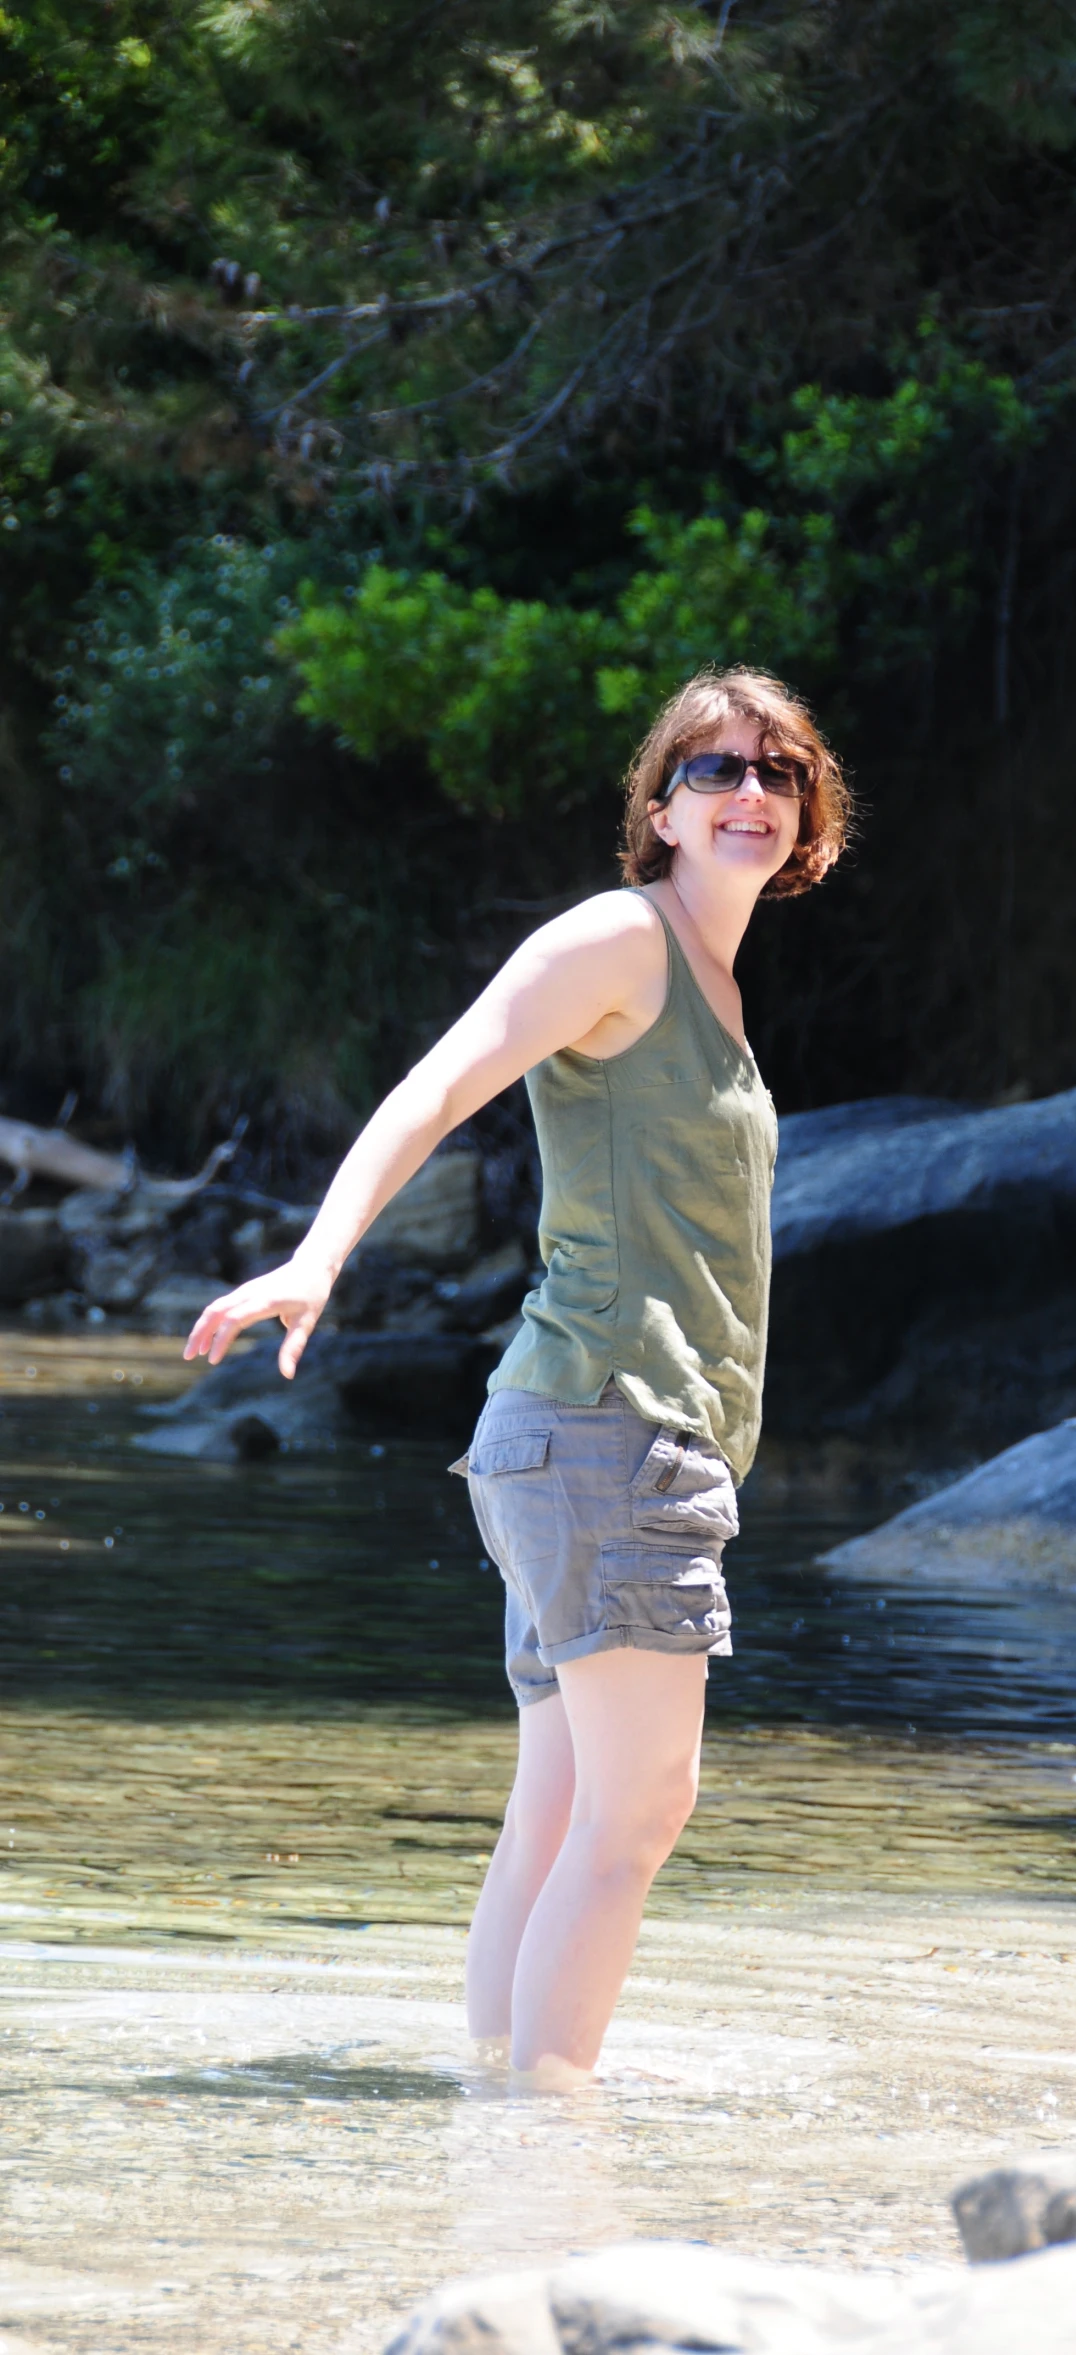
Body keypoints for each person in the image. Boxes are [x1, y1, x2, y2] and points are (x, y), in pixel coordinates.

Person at [185, 667, 851, 2088]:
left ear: (807, 817)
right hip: (611, 1429)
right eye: (712, 771)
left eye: (775, 774)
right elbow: (440, 1080)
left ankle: (496, 2121)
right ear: (659, 810)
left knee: (559, 1812)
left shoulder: (717, 983)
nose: (747, 793)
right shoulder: (622, 939)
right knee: (639, 1813)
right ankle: (550, 2145)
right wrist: (318, 1256)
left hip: (581, 1437)